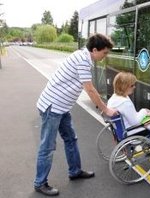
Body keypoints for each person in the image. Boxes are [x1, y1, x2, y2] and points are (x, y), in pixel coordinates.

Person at [34, 33, 118, 196]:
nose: (105, 56)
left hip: (61, 107)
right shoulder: (82, 60)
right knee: (47, 146)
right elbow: (90, 89)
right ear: (94, 50)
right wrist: (105, 109)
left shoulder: (83, 57)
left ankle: (75, 171)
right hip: (52, 107)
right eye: (104, 53)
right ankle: (40, 183)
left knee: (71, 138)